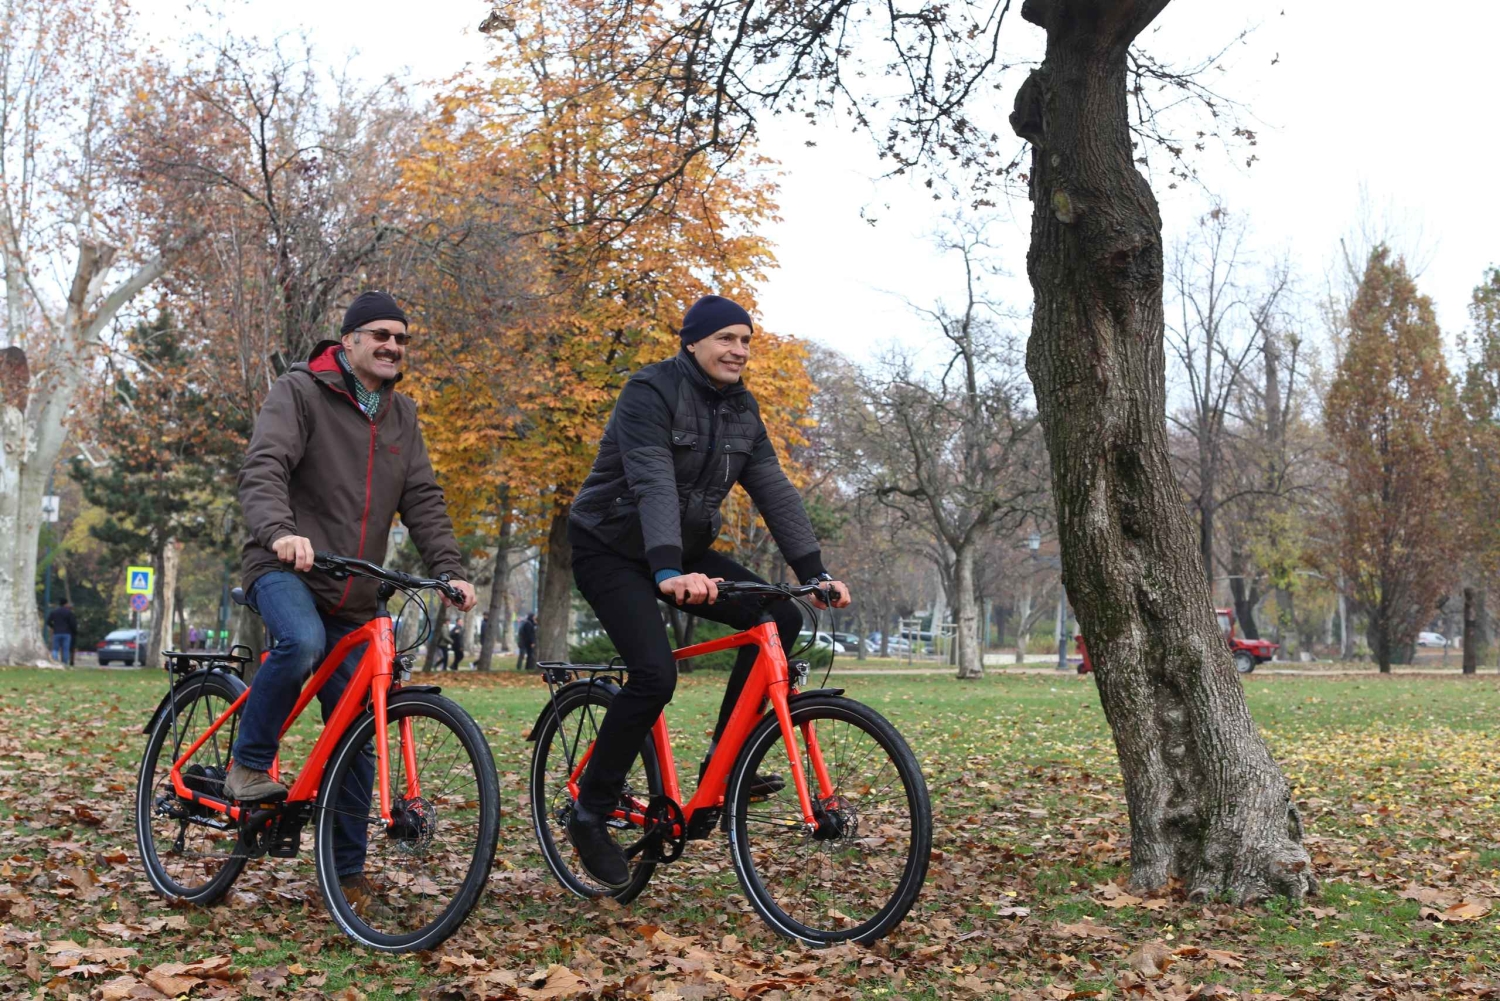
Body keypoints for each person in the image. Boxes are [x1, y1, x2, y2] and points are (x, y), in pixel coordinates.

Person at [564, 293, 851, 887]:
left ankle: (729, 760)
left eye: (746, 341)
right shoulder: (650, 392)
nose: (739, 351)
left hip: (682, 551)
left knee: (780, 619)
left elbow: (774, 489)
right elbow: (651, 481)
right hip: (612, 547)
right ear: (692, 341)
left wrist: (814, 573)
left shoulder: (742, 409)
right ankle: (591, 809)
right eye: (727, 339)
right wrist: (666, 570)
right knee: (653, 675)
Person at [230, 289, 477, 911]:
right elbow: (264, 468)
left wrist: (448, 570)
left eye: (402, 337)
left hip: (354, 587)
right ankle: (248, 763)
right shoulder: (300, 392)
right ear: (349, 344)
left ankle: (344, 873)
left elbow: (423, 499)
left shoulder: (402, 415)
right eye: (380, 335)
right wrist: (281, 532)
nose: (393, 346)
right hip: (285, 566)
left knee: (362, 729)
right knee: (301, 641)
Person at [46, 598, 76, 665]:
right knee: (65, 649)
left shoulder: (54, 612)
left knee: (55, 649)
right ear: (66, 604)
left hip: (56, 633)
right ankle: (64, 663)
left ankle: (55, 662)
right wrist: (73, 631)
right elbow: (72, 624)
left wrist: (53, 627)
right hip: (66, 633)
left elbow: (48, 622)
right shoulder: (69, 612)